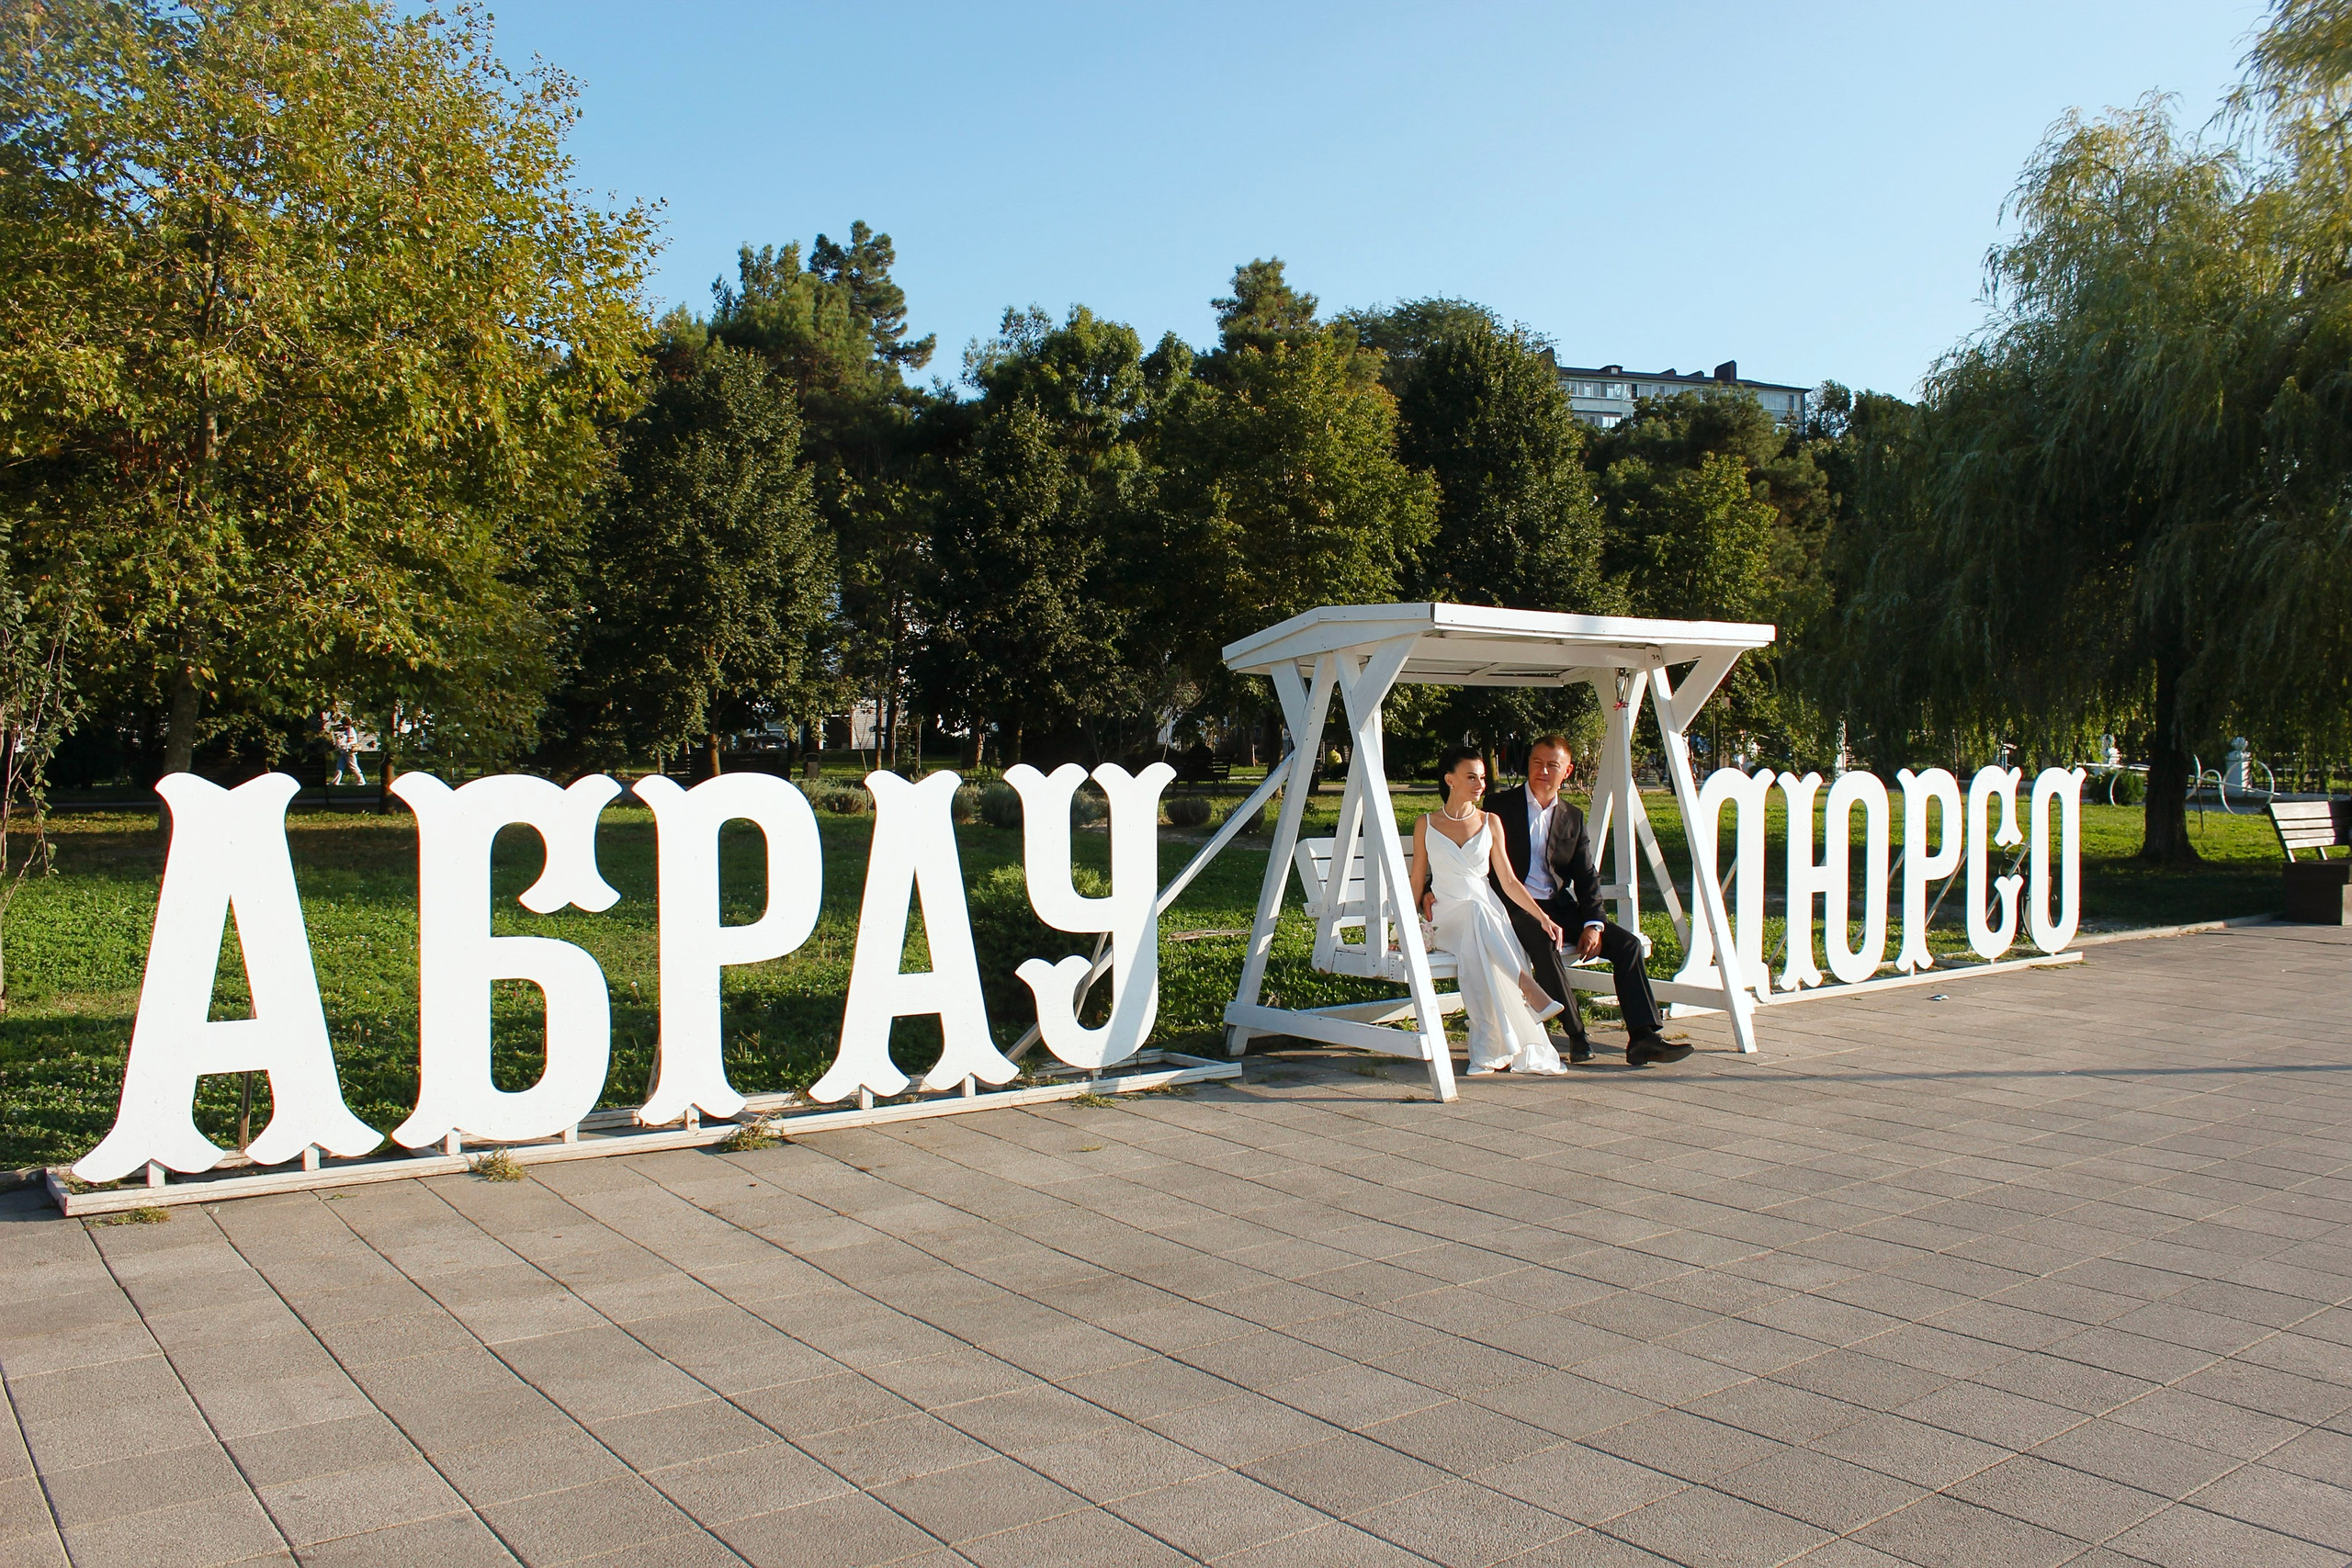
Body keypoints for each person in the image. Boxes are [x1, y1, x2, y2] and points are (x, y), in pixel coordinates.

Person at [1486, 734, 1690, 1068]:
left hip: (1556, 905)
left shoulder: (1572, 817)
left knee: (1627, 944)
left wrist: (1593, 924)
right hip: (1512, 905)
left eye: (1553, 765)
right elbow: (1473, 848)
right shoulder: (1499, 807)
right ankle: (1576, 1034)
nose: (1543, 770)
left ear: (1567, 771)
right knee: (1546, 938)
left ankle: (1644, 1037)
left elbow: (1586, 877)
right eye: (1537, 762)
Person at [1408, 745, 1569, 1077]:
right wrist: (1406, 925)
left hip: (1483, 914)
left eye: (1482, 777)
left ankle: (1488, 1050)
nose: (1480, 784)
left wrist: (1543, 917)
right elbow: (1416, 879)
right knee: (1474, 915)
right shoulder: (1425, 823)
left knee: (1479, 929)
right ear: (1450, 779)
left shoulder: (1490, 822)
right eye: (1471, 777)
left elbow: (1508, 881)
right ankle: (1527, 985)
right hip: (1445, 915)